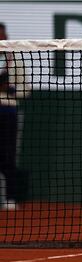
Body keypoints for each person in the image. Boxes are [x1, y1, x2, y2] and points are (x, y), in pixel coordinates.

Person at [0, 23, 30, 210]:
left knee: (8, 155)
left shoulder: (16, 58)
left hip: (8, 112)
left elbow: (25, 89)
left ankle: (10, 198)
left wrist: (9, 89)